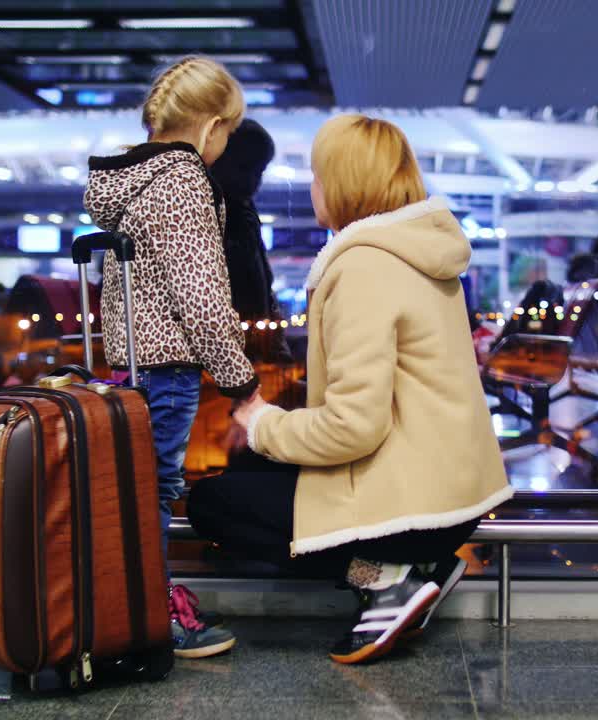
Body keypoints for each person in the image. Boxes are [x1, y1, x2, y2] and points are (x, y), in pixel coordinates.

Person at [188, 114, 513, 665]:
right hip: (450, 495)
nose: (312, 186)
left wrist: (263, 421)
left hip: (410, 510)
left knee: (213, 505)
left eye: (318, 174)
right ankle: (421, 568)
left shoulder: (362, 267)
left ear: (341, 181)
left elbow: (354, 426)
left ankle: (387, 577)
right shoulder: (422, 254)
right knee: (250, 475)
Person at [84, 56, 254, 660]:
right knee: (152, 494)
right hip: (168, 369)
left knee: (132, 492)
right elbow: (201, 296)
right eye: (228, 131)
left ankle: (135, 605)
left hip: (129, 366)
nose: (227, 145)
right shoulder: (182, 182)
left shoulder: (133, 184)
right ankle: (153, 617)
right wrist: (240, 379)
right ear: (210, 127)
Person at [208, 118, 292, 365]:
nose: (255, 180)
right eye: (245, 168)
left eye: (260, 171)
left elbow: (262, 283)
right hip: (230, 356)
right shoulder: (211, 210)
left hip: (247, 348)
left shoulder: (243, 210)